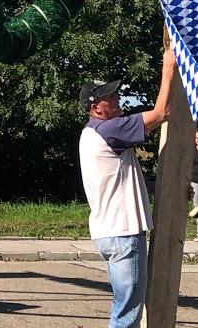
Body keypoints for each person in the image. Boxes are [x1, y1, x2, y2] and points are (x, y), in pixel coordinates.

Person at [78, 49, 176, 328]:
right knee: (127, 312)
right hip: (122, 233)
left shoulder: (91, 133)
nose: (117, 98)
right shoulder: (109, 130)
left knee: (125, 305)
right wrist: (168, 68)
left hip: (109, 232)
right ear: (97, 107)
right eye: (110, 97)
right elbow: (162, 112)